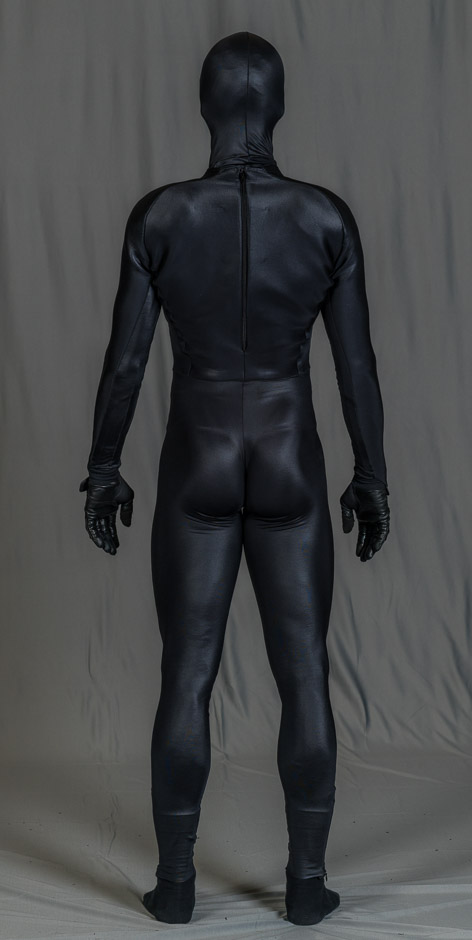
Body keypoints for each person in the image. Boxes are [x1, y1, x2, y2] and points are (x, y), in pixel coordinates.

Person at [79, 30, 390, 927]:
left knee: (187, 674)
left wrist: (104, 467)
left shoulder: (162, 216)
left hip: (199, 452)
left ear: (205, 108)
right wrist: (370, 477)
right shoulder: (326, 218)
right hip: (290, 452)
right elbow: (358, 369)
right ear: (277, 108)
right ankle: (307, 885)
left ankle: (176, 886)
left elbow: (126, 363)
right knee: (304, 673)